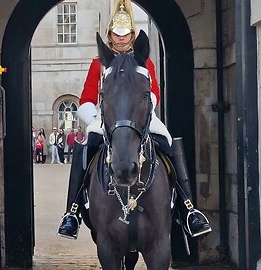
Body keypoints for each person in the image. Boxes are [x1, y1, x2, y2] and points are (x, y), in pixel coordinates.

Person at [57, 0, 211, 240]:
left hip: (140, 117)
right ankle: (73, 211)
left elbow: (154, 92)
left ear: (132, 35)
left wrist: (144, 111)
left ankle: (188, 207)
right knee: (86, 147)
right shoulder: (99, 64)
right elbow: (87, 97)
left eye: (126, 34)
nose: (121, 39)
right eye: (116, 35)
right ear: (109, 35)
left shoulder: (143, 62)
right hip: (107, 119)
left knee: (168, 143)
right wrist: (97, 118)